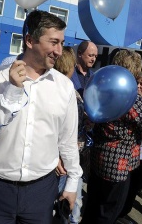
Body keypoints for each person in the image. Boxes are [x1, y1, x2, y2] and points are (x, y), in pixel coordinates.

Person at [0, 10, 82, 223]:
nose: (60, 51)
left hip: (41, 192)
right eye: (54, 42)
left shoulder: (65, 87)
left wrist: (72, 182)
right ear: (30, 40)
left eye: (62, 42)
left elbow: (67, 141)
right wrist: (11, 92)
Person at [81, 49, 142, 224]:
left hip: (98, 158)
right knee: (108, 213)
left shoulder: (101, 87)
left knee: (92, 207)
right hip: (119, 166)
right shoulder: (133, 98)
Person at [54, 46, 90, 224]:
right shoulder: (65, 92)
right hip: (65, 159)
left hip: (71, 156)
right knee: (67, 206)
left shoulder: (69, 90)